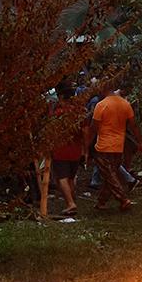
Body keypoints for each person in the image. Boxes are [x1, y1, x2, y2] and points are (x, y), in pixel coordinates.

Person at [86, 84, 142, 211]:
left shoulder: (101, 105)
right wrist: (140, 142)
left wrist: (86, 146)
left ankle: (123, 199)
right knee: (110, 175)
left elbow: (93, 128)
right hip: (119, 146)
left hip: (103, 147)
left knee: (109, 175)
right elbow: (133, 126)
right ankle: (101, 202)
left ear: (103, 90)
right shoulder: (125, 104)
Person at [47, 81, 84, 218]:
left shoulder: (57, 113)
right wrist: (85, 148)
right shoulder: (79, 111)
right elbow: (84, 130)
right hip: (76, 148)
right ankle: (71, 200)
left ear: (61, 96)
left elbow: (50, 131)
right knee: (71, 177)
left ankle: (70, 203)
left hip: (60, 149)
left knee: (61, 178)